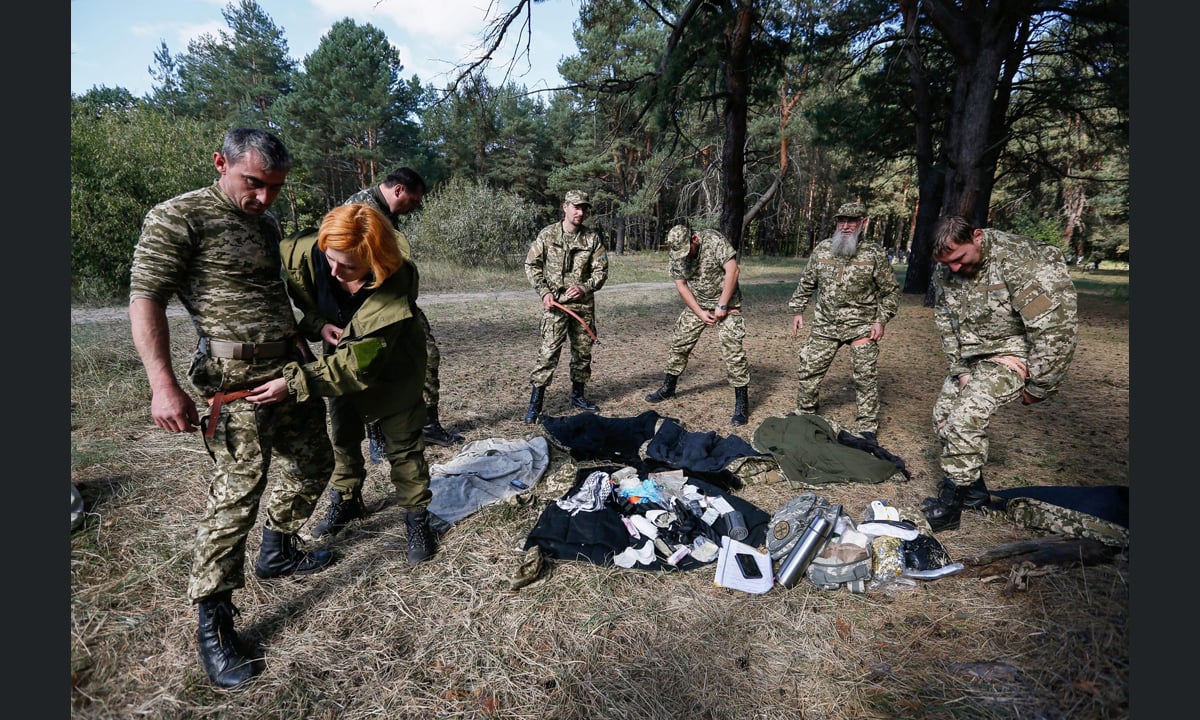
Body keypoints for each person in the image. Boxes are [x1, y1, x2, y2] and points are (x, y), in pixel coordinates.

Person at [128, 128, 335, 689]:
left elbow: (277, 298)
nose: (265, 198)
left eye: (275, 187)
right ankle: (214, 623)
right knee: (236, 496)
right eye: (254, 183)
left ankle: (280, 548)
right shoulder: (179, 217)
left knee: (316, 463)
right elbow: (146, 297)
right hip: (232, 382)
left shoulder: (264, 225)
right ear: (221, 162)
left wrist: (314, 330)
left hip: (288, 373)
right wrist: (161, 384)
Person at [255, 203, 437, 563]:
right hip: (338, 357)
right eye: (330, 259)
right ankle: (347, 499)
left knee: (403, 447)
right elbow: (303, 300)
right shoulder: (307, 254)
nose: (335, 272)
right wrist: (318, 323)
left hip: (391, 366)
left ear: (376, 261)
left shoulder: (395, 287)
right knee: (343, 435)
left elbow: (356, 366)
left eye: (349, 266)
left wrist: (294, 382)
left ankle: (417, 518)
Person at [921, 214, 1078, 532]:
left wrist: (1040, 383)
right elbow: (946, 323)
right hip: (972, 356)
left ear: (977, 237)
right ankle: (974, 495)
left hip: (1011, 357)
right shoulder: (947, 269)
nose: (953, 268)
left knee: (965, 419)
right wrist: (961, 368)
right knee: (943, 418)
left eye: (959, 259)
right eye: (946, 262)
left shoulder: (1016, 261)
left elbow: (1053, 327)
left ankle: (949, 509)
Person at [343, 167, 464, 449]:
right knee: (372, 365)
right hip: (367, 307)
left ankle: (429, 425)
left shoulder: (387, 214)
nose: (415, 207)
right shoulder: (359, 209)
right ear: (398, 190)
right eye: (414, 200)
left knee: (427, 353)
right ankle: (376, 436)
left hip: (399, 302)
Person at [787, 201, 900, 441]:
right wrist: (798, 311)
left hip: (861, 325)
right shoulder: (823, 249)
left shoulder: (874, 254)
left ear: (863, 223)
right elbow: (807, 282)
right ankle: (805, 412)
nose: (846, 226)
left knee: (865, 375)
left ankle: (867, 425)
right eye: (842, 221)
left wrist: (880, 320)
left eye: (852, 221)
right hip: (826, 324)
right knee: (808, 368)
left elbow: (890, 292)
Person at [644, 222, 752, 426]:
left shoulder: (713, 241)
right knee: (679, 344)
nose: (684, 256)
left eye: (687, 251)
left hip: (727, 306)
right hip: (699, 306)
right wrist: (700, 313)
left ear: (695, 239)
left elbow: (733, 271)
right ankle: (668, 388)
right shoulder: (677, 251)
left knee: (733, 353)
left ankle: (741, 405)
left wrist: (722, 304)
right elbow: (681, 285)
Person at [523, 190, 609, 423]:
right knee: (548, 353)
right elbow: (532, 265)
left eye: (584, 208)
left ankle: (578, 396)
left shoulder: (592, 239)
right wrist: (544, 293)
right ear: (565, 207)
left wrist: (585, 287)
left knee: (582, 353)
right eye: (576, 207)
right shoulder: (548, 235)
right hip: (556, 305)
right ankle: (535, 405)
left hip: (582, 307)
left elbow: (601, 271)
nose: (580, 212)